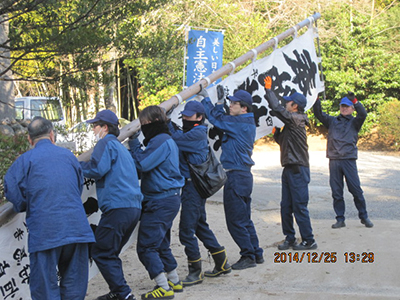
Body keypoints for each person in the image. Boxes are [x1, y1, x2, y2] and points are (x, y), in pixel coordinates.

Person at [4, 116, 95, 300]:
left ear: (30, 139)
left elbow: (12, 190)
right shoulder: (69, 156)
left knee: (45, 289)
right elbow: (77, 188)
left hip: (45, 232)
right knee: (74, 288)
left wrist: (25, 204)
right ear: (52, 135)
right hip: (77, 228)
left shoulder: (24, 161)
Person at [199, 85, 264, 270]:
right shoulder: (245, 121)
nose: (230, 105)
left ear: (244, 108)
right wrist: (219, 103)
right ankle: (256, 253)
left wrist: (207, 100)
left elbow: (215, 119)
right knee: (244, 218)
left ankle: (248, 255)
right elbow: (221, 118)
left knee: (235, 220)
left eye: (233, 103)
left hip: (236, 176)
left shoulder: (240, 123)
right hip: (243, 176)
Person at [80, 110, 143, 300]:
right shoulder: (122, 148)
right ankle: (118, 292)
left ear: (105, 127)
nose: (93, 130)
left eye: (95, 126)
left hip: (118, 207)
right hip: (132, 208)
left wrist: (75, 165)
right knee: (111, 251)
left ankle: (123, 293)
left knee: (102, 251)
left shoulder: (105, 142)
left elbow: (97, 169)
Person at [167, 101, 231, 286]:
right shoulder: (192, 131)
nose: (186, 118)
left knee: (186, 231)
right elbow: (177, 134)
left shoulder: (196, 133)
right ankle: (222, 261)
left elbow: (175, 139)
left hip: (193, 188)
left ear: (199, 117)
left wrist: (165, 122)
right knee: (199, 225)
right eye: (184, 115)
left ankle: (195, 272)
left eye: (189, 116)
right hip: (193, 187)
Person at [128, 106, 185, 300]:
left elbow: (143, 164)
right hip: (167, 199)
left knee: (146, 247)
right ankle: (174, 281)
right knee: (160, 244)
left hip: (160, 200)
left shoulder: (161, 140)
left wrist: (133, 143)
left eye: (144, 124)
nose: (143, 128)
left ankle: (163, 287)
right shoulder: (164, 139)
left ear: (153, 123)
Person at [264, 76, 317, 251]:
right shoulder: (292, 123)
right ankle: (290, 238)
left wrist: (269, 90)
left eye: (288, 102)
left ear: (295, 106)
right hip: (289, 168)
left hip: (298, 169)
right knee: (285, 206)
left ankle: (309, 241)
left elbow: (277, 108)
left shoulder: (297, 119)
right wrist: (277, 133)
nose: (285, 104)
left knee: (299, 206)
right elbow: (285, 143)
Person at [313, 93, 373, 228]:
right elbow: (318, 114)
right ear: (340, 107)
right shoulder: (332, 121)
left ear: (352, 108)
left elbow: (363, 114)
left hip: (348, 160)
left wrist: (356, 101)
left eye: (347, 106)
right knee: (336, 192)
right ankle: (340, 219)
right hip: (334, 160)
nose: (345, 108)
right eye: (343, 106)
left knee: (356, 190)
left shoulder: (355, 122)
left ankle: (364, 217)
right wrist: (316, 99)